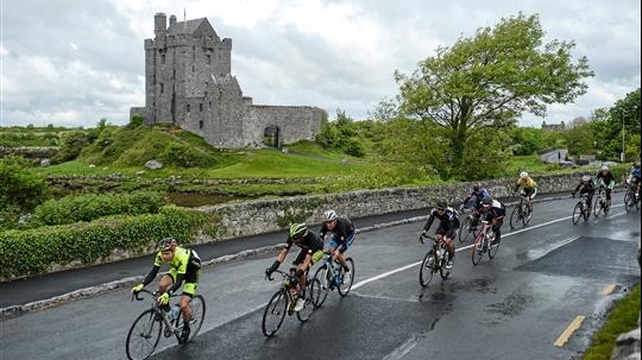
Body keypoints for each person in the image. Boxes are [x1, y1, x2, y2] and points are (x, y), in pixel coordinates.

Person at [132, 237, 202, 344]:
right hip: (178, 269)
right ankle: (169, 312)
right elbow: (153, 273)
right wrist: (141, 285)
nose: (164, 256)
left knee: (183, 304)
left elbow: (178, 282)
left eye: (167, 253)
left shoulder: (182, 256)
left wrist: (167, 294)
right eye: (162, 253)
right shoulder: (160, 256)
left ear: (173, 251)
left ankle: (186, 328)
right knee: (162, 284)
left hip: (191, 273)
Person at [265, 223, 324, 312]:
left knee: (301, 270)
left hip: (317, 251)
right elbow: (284, 251)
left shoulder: (312, 240)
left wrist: (298, 274)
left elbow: (307, 260)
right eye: (292, 238)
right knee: (292, 269)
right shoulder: (293, 235)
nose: (293, 240)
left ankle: (302, 297)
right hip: (306, 249)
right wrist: (274, 266)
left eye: (295, 239)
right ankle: (295, 292)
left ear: (302, 235)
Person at [419, 199, 460, 270]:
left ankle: (451, 259)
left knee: (447, 242)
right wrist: (424, 231)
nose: (440, 211)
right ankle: (434, 256)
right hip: (443, 224)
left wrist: (446, 236)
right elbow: (429, 221)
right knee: (437, 238)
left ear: (445, 208)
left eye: (442, 210)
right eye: (439, 209)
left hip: (453, 225)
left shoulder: (450, 213)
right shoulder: (434, 211)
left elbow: (450, 228)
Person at [319, 209, 356, 274]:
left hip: (348, 234)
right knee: (330, 250)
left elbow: (344, 245)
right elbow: (320, 239)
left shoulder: (341, 226)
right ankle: (334, 267)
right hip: (338, 234)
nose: (328, 225)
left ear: (335, 221)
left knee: (338, 253)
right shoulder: (325, 225)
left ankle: (347, 270)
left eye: (330, 222)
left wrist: (337, 252)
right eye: (326, 222)